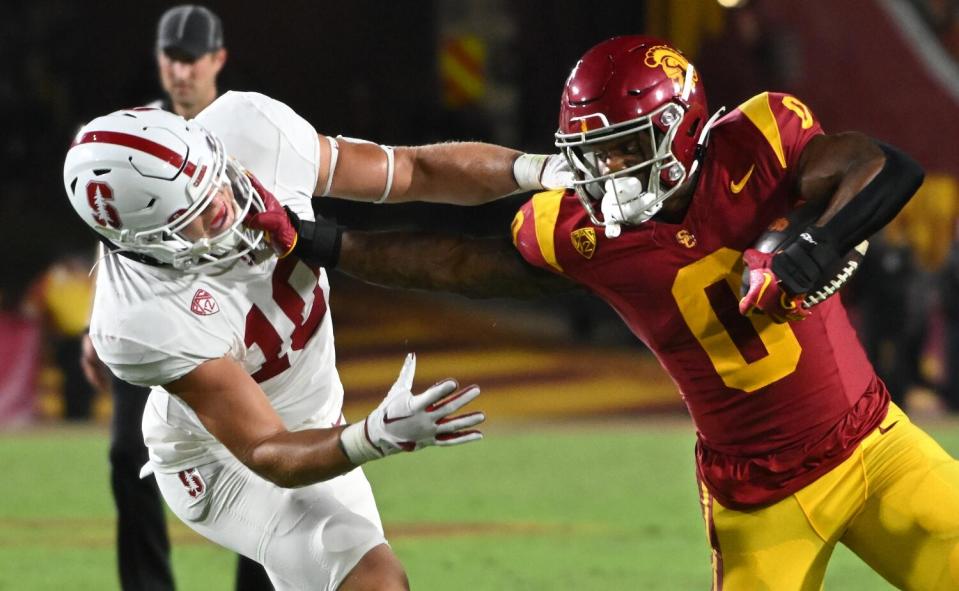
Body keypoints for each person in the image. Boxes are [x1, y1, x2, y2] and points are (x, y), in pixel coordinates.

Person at [317, 36, 959, 589]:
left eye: (627, 146)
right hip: (757, 497)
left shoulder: (757, 143)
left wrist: (814, 243)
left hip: (873, 446)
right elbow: (459, 265)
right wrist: (334, 246)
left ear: (680, 126)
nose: (609, 168)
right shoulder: (577, 232)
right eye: (593, 150)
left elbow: (882, 168)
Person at [65, 87, 568, 590]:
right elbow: (266, 449)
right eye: (192, 213)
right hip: (219, 460)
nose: (223, 204)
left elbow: (415, 170)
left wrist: (536, 171)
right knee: (374, 582)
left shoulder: (249, 129)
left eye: (213, 176)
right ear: (145, 244)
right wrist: (369, 438)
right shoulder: (137, 318)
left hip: (315, 424)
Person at [78, 5, 275, 589]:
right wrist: (96, 322)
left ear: (218, 59)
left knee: (260, 462)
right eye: (172, 57)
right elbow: (111, 232)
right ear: (159, 59)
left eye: (192, 58)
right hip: (150, 318)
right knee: (125, 459)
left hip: (233, 324)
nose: (181, 70)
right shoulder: (134, 130)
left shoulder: (242, 124)